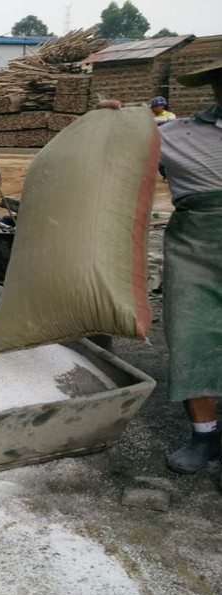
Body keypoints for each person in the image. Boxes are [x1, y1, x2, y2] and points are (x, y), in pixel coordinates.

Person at [99, 62, 222, 479]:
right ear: (215, 86)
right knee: (191, 334)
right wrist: (109, 121)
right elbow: (110, 156)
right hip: (197, 247)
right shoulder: (172, 134)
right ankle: (204, 435)